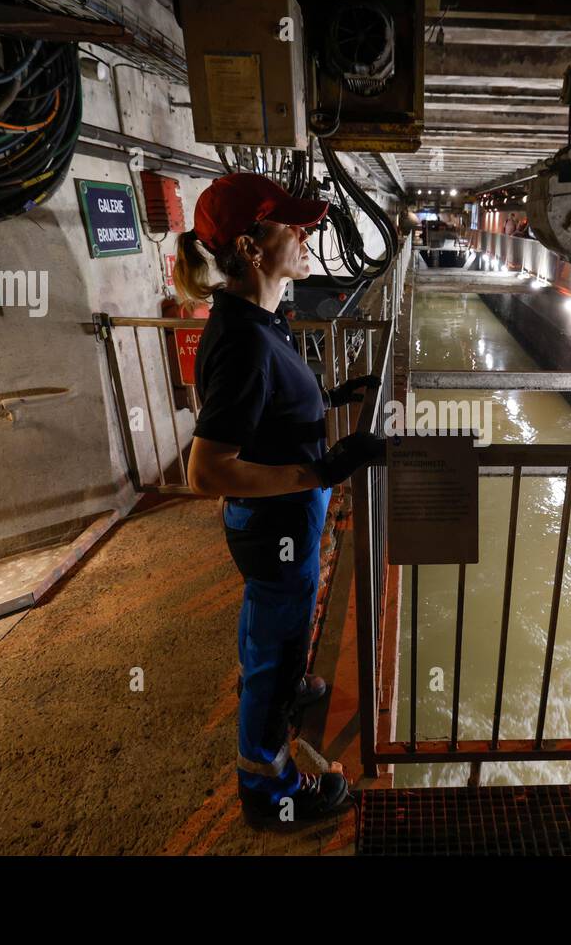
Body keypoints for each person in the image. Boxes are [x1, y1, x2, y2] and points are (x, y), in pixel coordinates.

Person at [174, 172, 383, 821]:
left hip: (281, 524)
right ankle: (269, 791)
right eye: (290, 225)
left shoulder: (258, 319)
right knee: (276, 642)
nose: (306, 232)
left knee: (274, 630)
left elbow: (268, 413)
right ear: (252, 245)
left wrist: (328, 402)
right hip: (275, 527)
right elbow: (206, 471)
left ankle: (284, 683)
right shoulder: (241, 340)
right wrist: (317, 475)